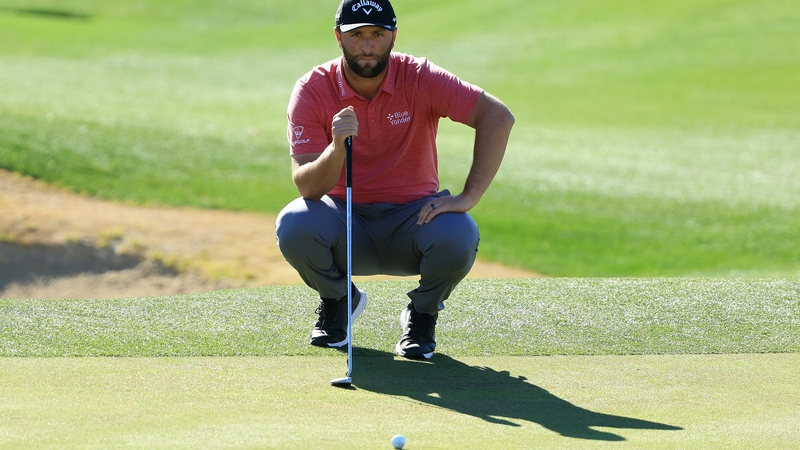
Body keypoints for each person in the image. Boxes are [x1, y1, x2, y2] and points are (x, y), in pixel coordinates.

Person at [276, 0, 514, 359]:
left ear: (394, 36)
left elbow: (497, 117)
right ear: (339, 37)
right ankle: (339, 299)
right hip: (345, 222)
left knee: (459, 232)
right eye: (356, 35)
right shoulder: (313, 88)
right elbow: (308, 187)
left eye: (377, 34)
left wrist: (469, 196)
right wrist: (336, 148)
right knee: (295, 223)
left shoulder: (419, 76)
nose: (367, 46)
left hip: (413, 221)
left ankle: (422, 314)